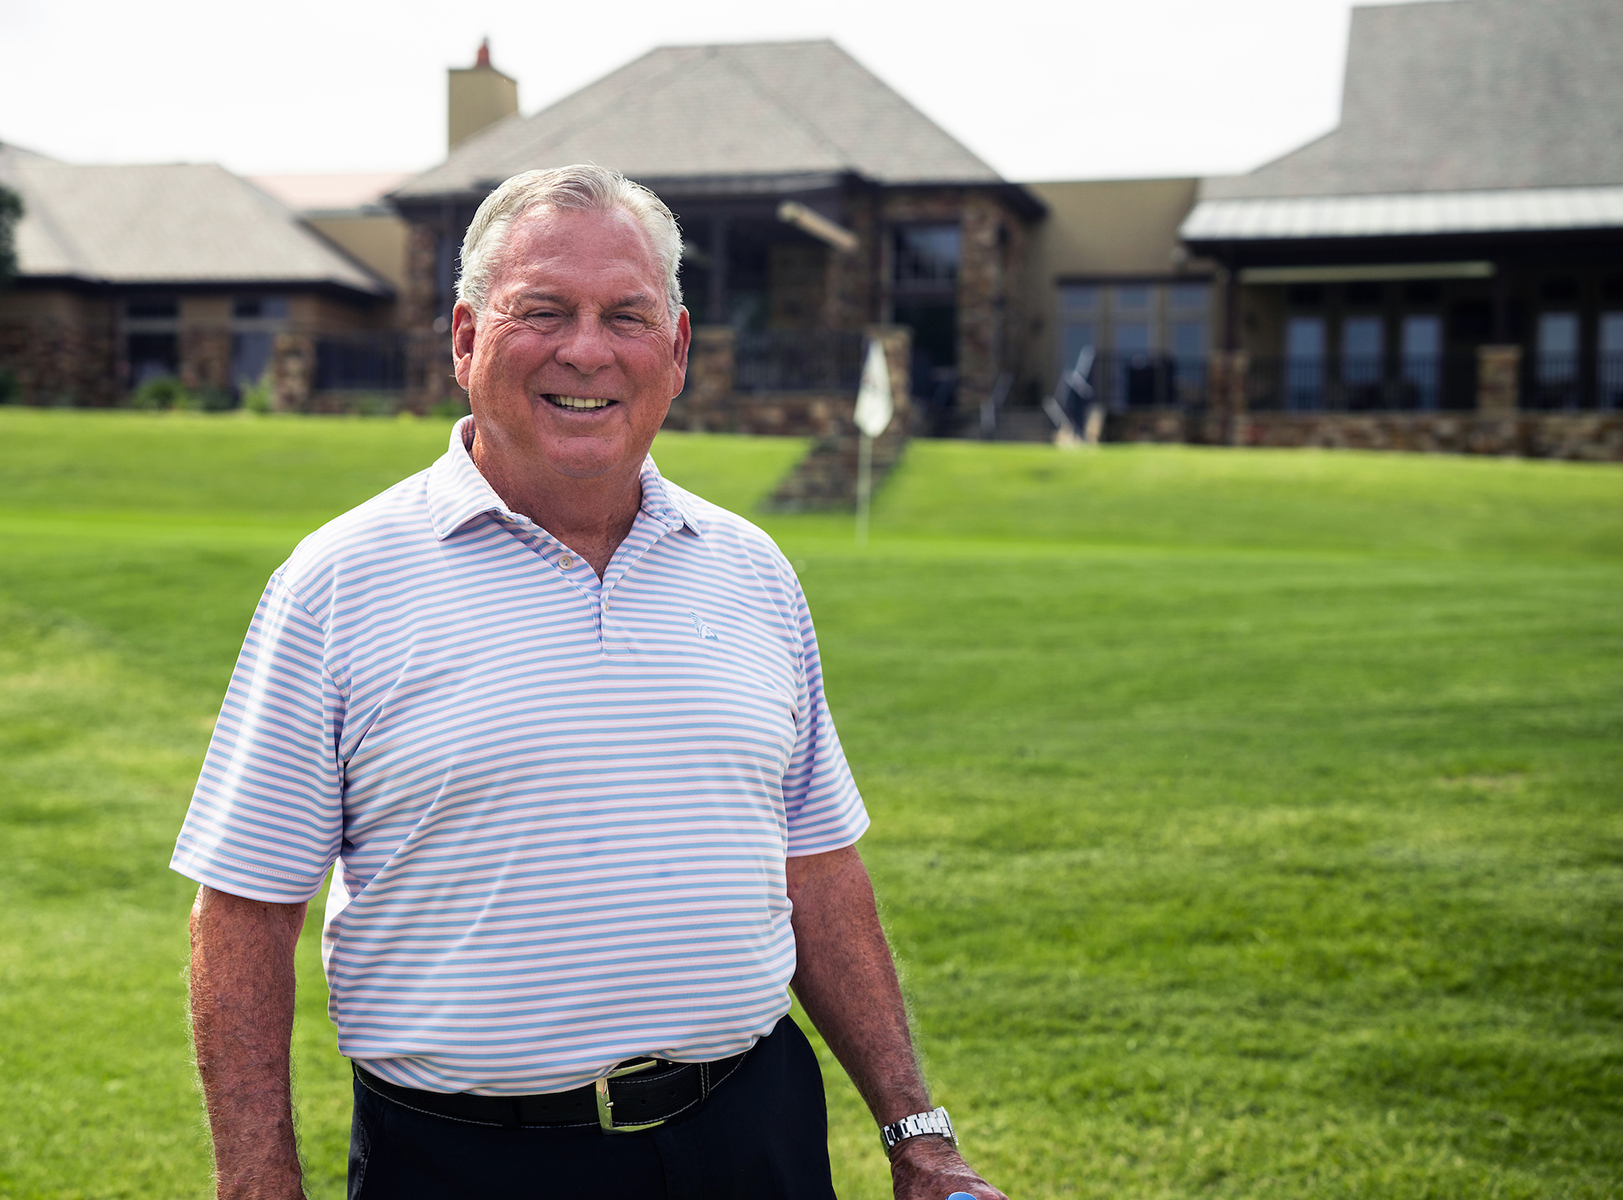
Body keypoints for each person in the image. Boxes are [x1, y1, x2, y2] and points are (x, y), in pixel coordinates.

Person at [174, 164, 1007, 1200]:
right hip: (466, 1163)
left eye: (626, 315)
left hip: (753, 1139)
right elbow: (245, 910)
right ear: (466, 339)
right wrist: (258, 1183)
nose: (586, 350)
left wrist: (917, 1134)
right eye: (542, 311)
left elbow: (817, 866)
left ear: (678, 349)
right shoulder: (339, 582)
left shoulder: (751, 569)